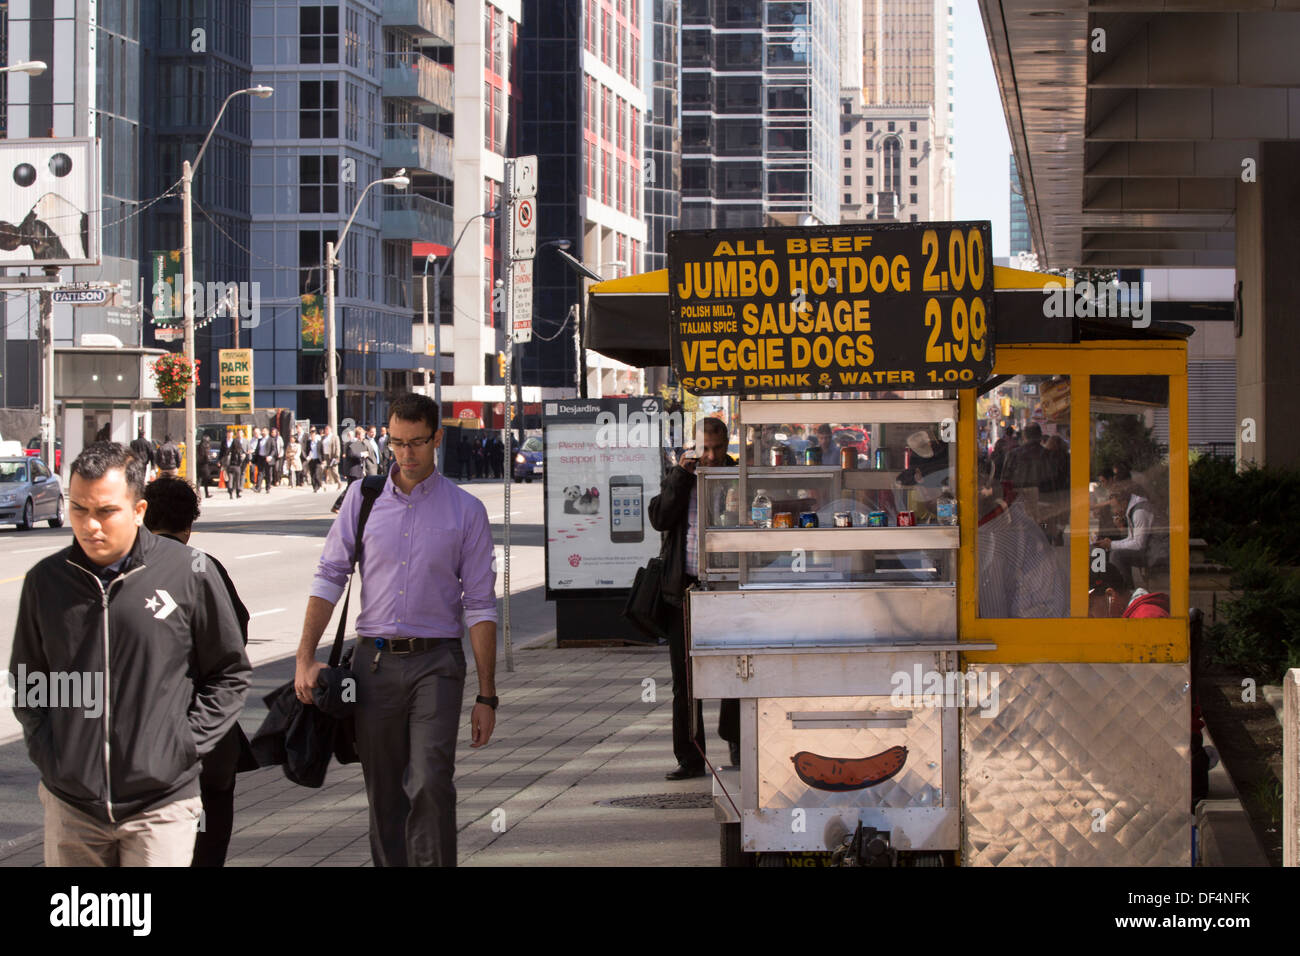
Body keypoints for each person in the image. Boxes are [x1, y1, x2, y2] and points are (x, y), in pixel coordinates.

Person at [9, 442, 250, 866]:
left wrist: (183, 747)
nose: (90, 525)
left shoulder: (190, 573)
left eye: (105, 511)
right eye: (79, 509)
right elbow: (31, 682)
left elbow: (228, 672)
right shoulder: (45, 582)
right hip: (73, 805)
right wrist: (52, 756)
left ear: (138, 511)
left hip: (161, 802)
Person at [294, 393, 498, 867]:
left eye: (417, 443)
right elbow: (329, 576)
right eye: (396, 443)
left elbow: (481, 605)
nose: (405, 454)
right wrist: (304, 657)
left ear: (437, 439)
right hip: (374, 665)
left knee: (429, 780)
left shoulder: (466, 511)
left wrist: (487, 695)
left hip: (437, 664)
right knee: (384, 792)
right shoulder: (362, 501)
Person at [142, 476, 255, 866]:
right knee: (205, 850)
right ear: (189, 526)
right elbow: (235, 639)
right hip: (207, 748)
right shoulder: (206, 569)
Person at [648, 417, 740, 779]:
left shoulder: (738, 474)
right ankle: (689, 755)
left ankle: (735, 739)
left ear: (728, 444)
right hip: (684, 587)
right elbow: (659, 517)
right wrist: (681, 478)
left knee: (737, 668)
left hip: (729, 586)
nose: (712, 455)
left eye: (718, 448)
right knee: (685, 678)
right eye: (705, 448)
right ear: (694, 445)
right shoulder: (681, 476)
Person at [1095, 479, 1167, 588]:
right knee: (1116, 552)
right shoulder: (1133, 509)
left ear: (1124, 503)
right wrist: (1111, 543)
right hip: (1153, 549)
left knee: (1117, 555)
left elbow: (1138, 544)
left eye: (1115, 507)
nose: (1114, 511)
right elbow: (1132, 538)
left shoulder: (1139, 512)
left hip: (1158, 553)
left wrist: (1112, 545)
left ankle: (1124, 591)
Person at [1088, 565, 1170, 619]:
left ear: (1111, 596)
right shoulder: (1135, 617)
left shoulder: (1146, 616)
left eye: (1090, 606)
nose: (1088, 615)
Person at [331, 426, 370, 513]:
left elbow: (361, 458)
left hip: (358, 470)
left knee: (356, 490)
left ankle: (353, 507)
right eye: (362, 434)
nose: (364, 436)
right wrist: (362, 454)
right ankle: (337, 505)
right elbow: (352, 455)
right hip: (354, 471)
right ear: (358, 435)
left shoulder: (359, 443)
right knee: (350, 490)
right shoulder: (354, 443)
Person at [220, 430, 247, 498]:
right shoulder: (239, 450)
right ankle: (237, 493)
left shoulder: (230, 450)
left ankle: (230, 494)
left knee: (230, 480)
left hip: (230, 466)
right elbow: (241, 457)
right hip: (237, 466)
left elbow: (224, 455)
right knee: (237, 480)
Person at [320, 424, 341, 489]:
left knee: (333, 470)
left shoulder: (334, 437)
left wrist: (337, 456)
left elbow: (337, 447)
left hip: (332, 456)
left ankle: (339, 482)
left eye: (328, 429)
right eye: (325, 429)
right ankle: (323, 483)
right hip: (325, 455)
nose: (326, 431)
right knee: (322, 469)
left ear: (330, 430)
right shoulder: (323, 437)